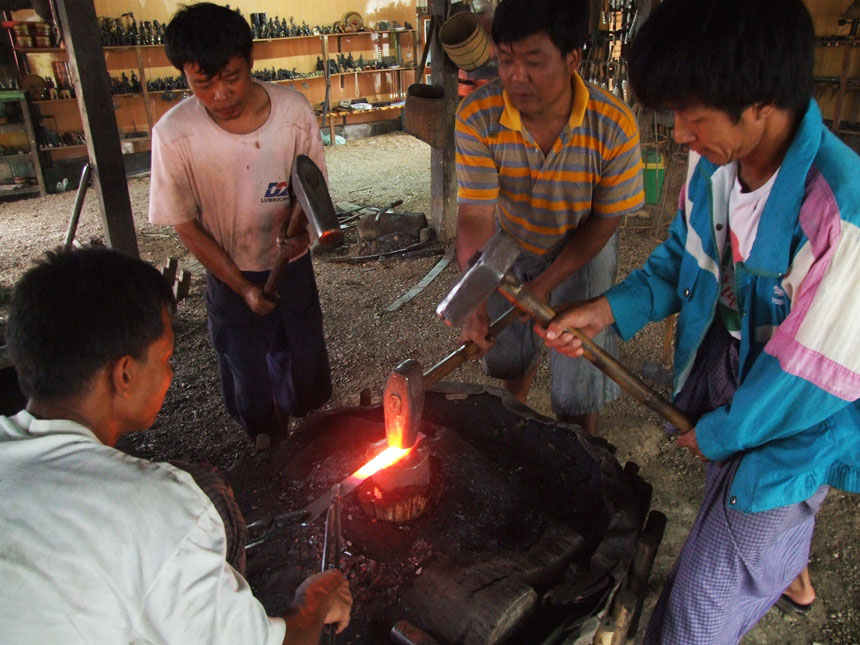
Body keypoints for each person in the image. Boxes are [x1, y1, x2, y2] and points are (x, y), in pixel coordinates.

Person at [538, 0, 860, 641]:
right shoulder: (714, 164)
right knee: (727, 494)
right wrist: (604, 311)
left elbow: (808, 382)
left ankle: (772, 552)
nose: (679, 133)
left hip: (796, 420)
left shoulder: (841, 217)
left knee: (693, 617)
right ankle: (784, 563)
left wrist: (720, 433)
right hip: (734, 364)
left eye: (693, 114)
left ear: (762, 102)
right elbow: (680, 265)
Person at [0, 247, 352, 644]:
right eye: (165, 358)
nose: (169, 373)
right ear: (125, 374)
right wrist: (316, 599)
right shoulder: (159, 510)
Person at [453, 0, 645, 436]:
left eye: (533, 62)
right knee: (505, 354)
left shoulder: (613, 124)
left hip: (581, 245)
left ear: (572, 58)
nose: (516, 76)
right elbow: (476, 216)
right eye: (505, 60)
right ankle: (508, 424)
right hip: (509, 241)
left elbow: (604, 222)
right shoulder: (478, 116)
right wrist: (474, 300)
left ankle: (583, 446)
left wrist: (547, 282)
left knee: (578, 380)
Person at [149, 2, 331, 449]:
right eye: (202, 84)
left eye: (231, 77)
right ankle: (266, 444)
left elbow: (310, 190)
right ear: (184, 77)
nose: (220, 95)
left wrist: (299, 229)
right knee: (247, 377)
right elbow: (186, 225)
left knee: (303, 368)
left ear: (250, 61)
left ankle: (308, 440)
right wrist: (241, 286)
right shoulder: (174, 134)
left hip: (291, 270)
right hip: (228, 275)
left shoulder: (292, 113)